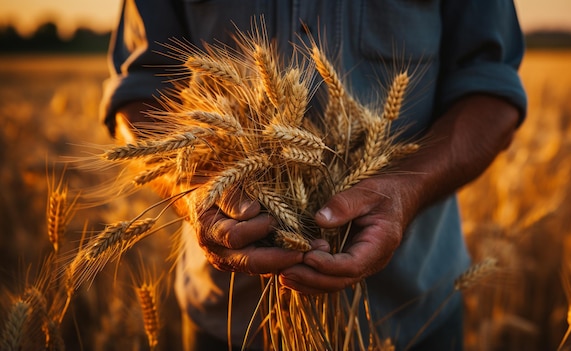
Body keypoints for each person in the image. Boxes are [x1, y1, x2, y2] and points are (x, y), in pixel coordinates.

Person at [101, 1, 527, 350]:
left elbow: (491, 88)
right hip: (230, 321)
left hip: (412, 318)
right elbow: (141, 90)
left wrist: (407, 187)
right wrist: (194, 190)